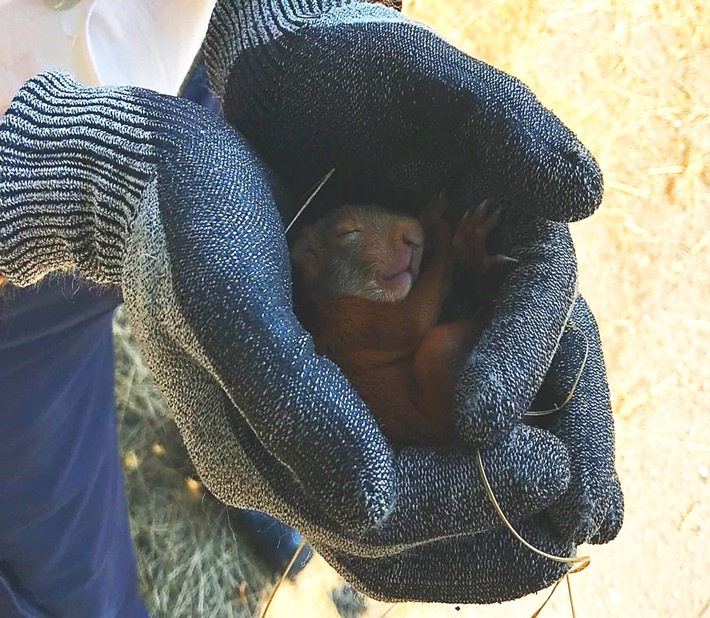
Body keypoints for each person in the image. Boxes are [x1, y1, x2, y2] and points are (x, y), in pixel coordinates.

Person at [0, 1, 623, 616]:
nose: (403, 238)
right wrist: (59, 167)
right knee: (71, 566)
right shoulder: (351, 318)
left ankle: (267, 475)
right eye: (352, 237)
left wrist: (286, 18)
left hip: (196, 72)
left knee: (243, 343)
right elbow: (405, 325)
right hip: (25, 270)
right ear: (311, 262)